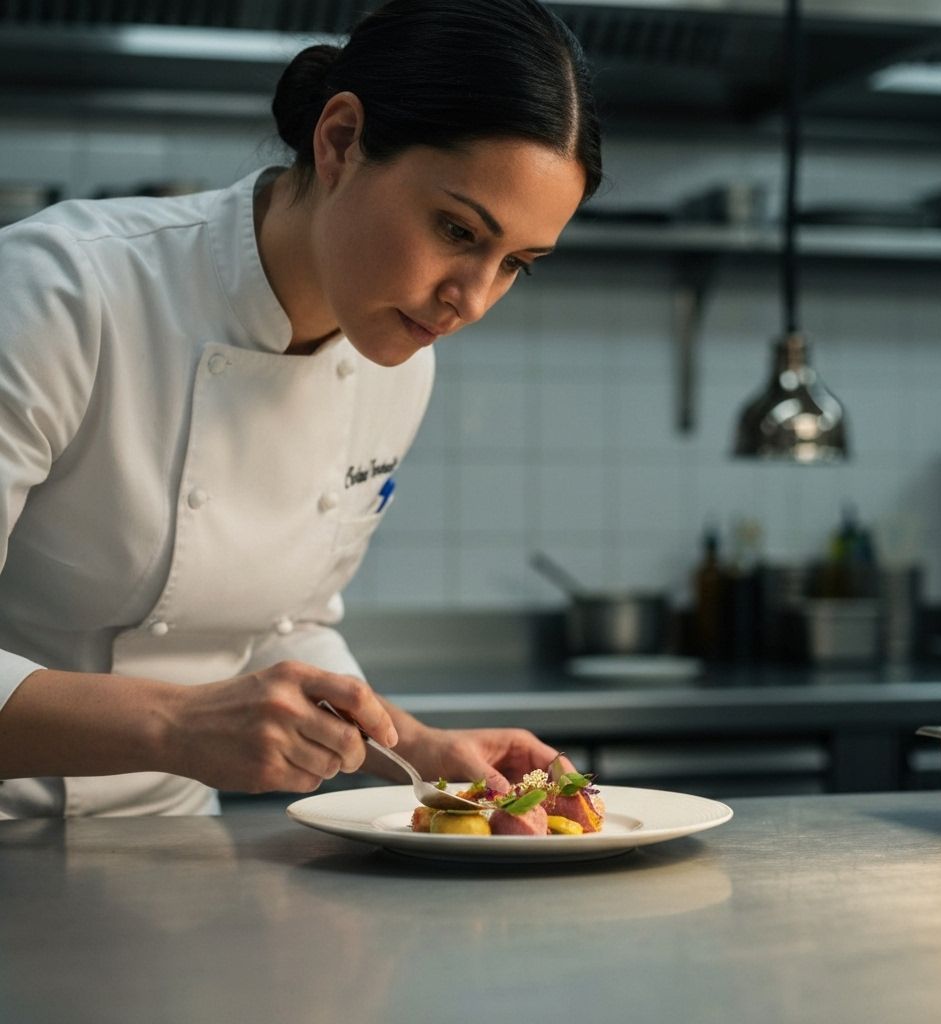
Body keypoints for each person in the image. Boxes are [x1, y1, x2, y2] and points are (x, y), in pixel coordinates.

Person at [0, 0, 603, 817]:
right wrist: (178, 724)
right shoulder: (60, 293)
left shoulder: (395, 359)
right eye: (458, 230)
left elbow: (285, 623)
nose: (470, 301)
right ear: (341, 141)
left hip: (175, 856)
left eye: (515, 265)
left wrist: (414, 746)